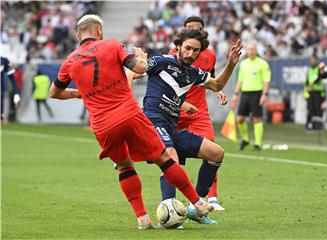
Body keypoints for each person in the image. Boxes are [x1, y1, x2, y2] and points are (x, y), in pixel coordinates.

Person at [49, 14, 213, 230]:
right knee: (164, 159)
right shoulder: (112, 45)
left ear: (78, 34)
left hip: (101, 124)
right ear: (98, 30)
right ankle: (198, 203)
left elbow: (54, 92)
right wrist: (140, 57)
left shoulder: (70, 60)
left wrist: (81, 94)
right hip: (128, 114)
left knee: (125, 167)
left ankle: (142, 218)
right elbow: (139, 69)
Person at [141, 28, 242, 223]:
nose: (190, 54)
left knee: (216, 153)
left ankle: (194, 208)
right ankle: (171, 210)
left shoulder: (194, 73)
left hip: (172, 128)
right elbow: (135, 71)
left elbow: (216, 85)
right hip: (153, 122)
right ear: (177, 46)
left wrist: (230, 64)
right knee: (171, 158)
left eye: (195, 50)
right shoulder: (161, 62)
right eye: (187, 48)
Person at [168, 16, 227, 211]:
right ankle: (170, 203)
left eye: (198, 28)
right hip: (175, 110)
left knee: (212, 151)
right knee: (169, 157)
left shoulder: (209, 55)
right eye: (191, 28)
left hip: (199, 111)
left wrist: (217, 90)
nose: (195, 31)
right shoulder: (172, 54)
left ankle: (211, 198)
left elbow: (209, 78)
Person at [231, 42, 271, 151]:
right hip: (245, 93)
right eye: (249, 49)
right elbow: (240, 80)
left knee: (256, 119)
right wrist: (235, 94)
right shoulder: (243, 64)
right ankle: (245, 139)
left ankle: (258, 143)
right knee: (239, 119)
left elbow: (266, 81)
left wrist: (265, 95)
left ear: (256, 50)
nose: (251, 51)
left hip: (257, 93)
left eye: (253, 49)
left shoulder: (263, 64)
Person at [304, 55, 326, 130]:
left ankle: (319, 125)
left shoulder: (319, 68)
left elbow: (319, 78)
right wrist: (308, 87)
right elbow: (307, 80)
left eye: (313, 60)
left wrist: (312, 84)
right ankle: (313, 124)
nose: (312, 61)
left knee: (318, 109)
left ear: (316, 60)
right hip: (311, 92)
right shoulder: (309, 69)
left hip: (318, 92)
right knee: (311, 109)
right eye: (311, 60)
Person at [1, 56, 21, 124]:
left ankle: (7, 117)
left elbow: (14, 79)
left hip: (8, 91)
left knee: (12, 105)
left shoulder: (4, 61)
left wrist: (16, 92)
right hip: (6, 91)